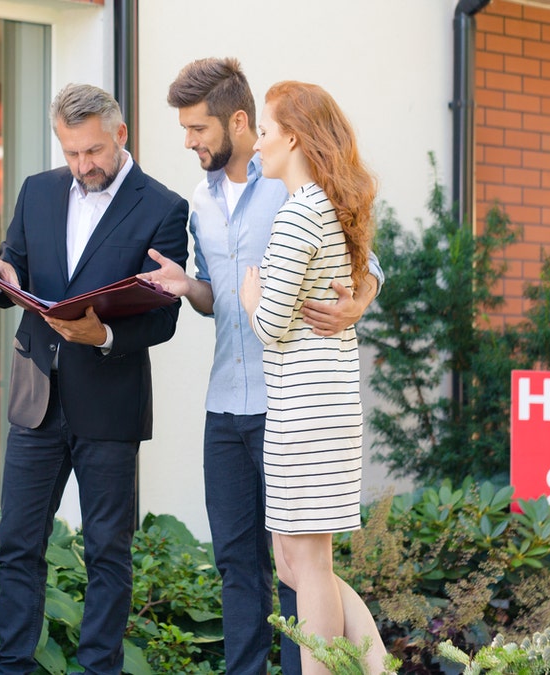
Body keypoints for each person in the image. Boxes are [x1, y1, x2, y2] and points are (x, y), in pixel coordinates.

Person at [141, 58, 385, 674]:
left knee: (300, 570)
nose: (189, 141)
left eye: (198, 128)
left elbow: (366, 262)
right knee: (241, 564)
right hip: (225, 402)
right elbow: (218, 297)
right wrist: (185, 285)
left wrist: (356, 302)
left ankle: (332, 665)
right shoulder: (202, 198)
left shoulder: (293, 187)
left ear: (240, 121)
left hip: (289, 403)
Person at [0, 83, 188, 675]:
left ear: (120, 135)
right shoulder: (38, 191)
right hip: (37, 395)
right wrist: (0, 274)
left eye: (92, 152)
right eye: (70, 153)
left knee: (107, 553)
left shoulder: (163, 207)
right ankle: (12, 665)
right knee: (17, 545)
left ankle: (100, 669)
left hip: (110, 403)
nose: (81, 166)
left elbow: (165, 316)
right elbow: (15, 261)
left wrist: (107, 337)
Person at [238, 80, 382, 675]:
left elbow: (270, 324)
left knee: (309, 567)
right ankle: (375, 664)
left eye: (265, 133)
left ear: (292, 136)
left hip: (309, 411)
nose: (258, 146)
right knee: (298, 566)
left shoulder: (302, 211)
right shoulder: (324, 205)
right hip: (314, 407)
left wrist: (251, 294)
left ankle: (334, 670)